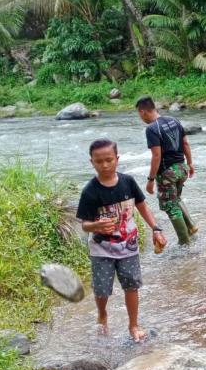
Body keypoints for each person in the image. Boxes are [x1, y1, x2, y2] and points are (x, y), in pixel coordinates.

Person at [76, 139, 166, 342]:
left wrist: (156, 229)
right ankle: (102, 314)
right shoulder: (90, 190)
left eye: (109, 160)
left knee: (131, 285)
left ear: (117, 159)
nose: (105, 165)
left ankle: (133, 325)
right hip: (102, 249)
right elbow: (85, 224)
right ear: (92, 162)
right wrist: (97, 226)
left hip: (129, 246)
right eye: (99, 161)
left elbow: (142, 207)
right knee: (102, 289)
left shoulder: (128, 182)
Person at [136, 96, 197, 245]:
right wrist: (190, 163)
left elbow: (157, 156)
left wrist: (150, 180)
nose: (140, 117)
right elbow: (185, 143)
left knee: (170, 206)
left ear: (143, 112)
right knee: (175, 200)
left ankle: (184, 242)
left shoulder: (152, 129)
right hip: (182, 168)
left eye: (139, 114)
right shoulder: (173, 120)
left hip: (167, 173)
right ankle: (191, 227)